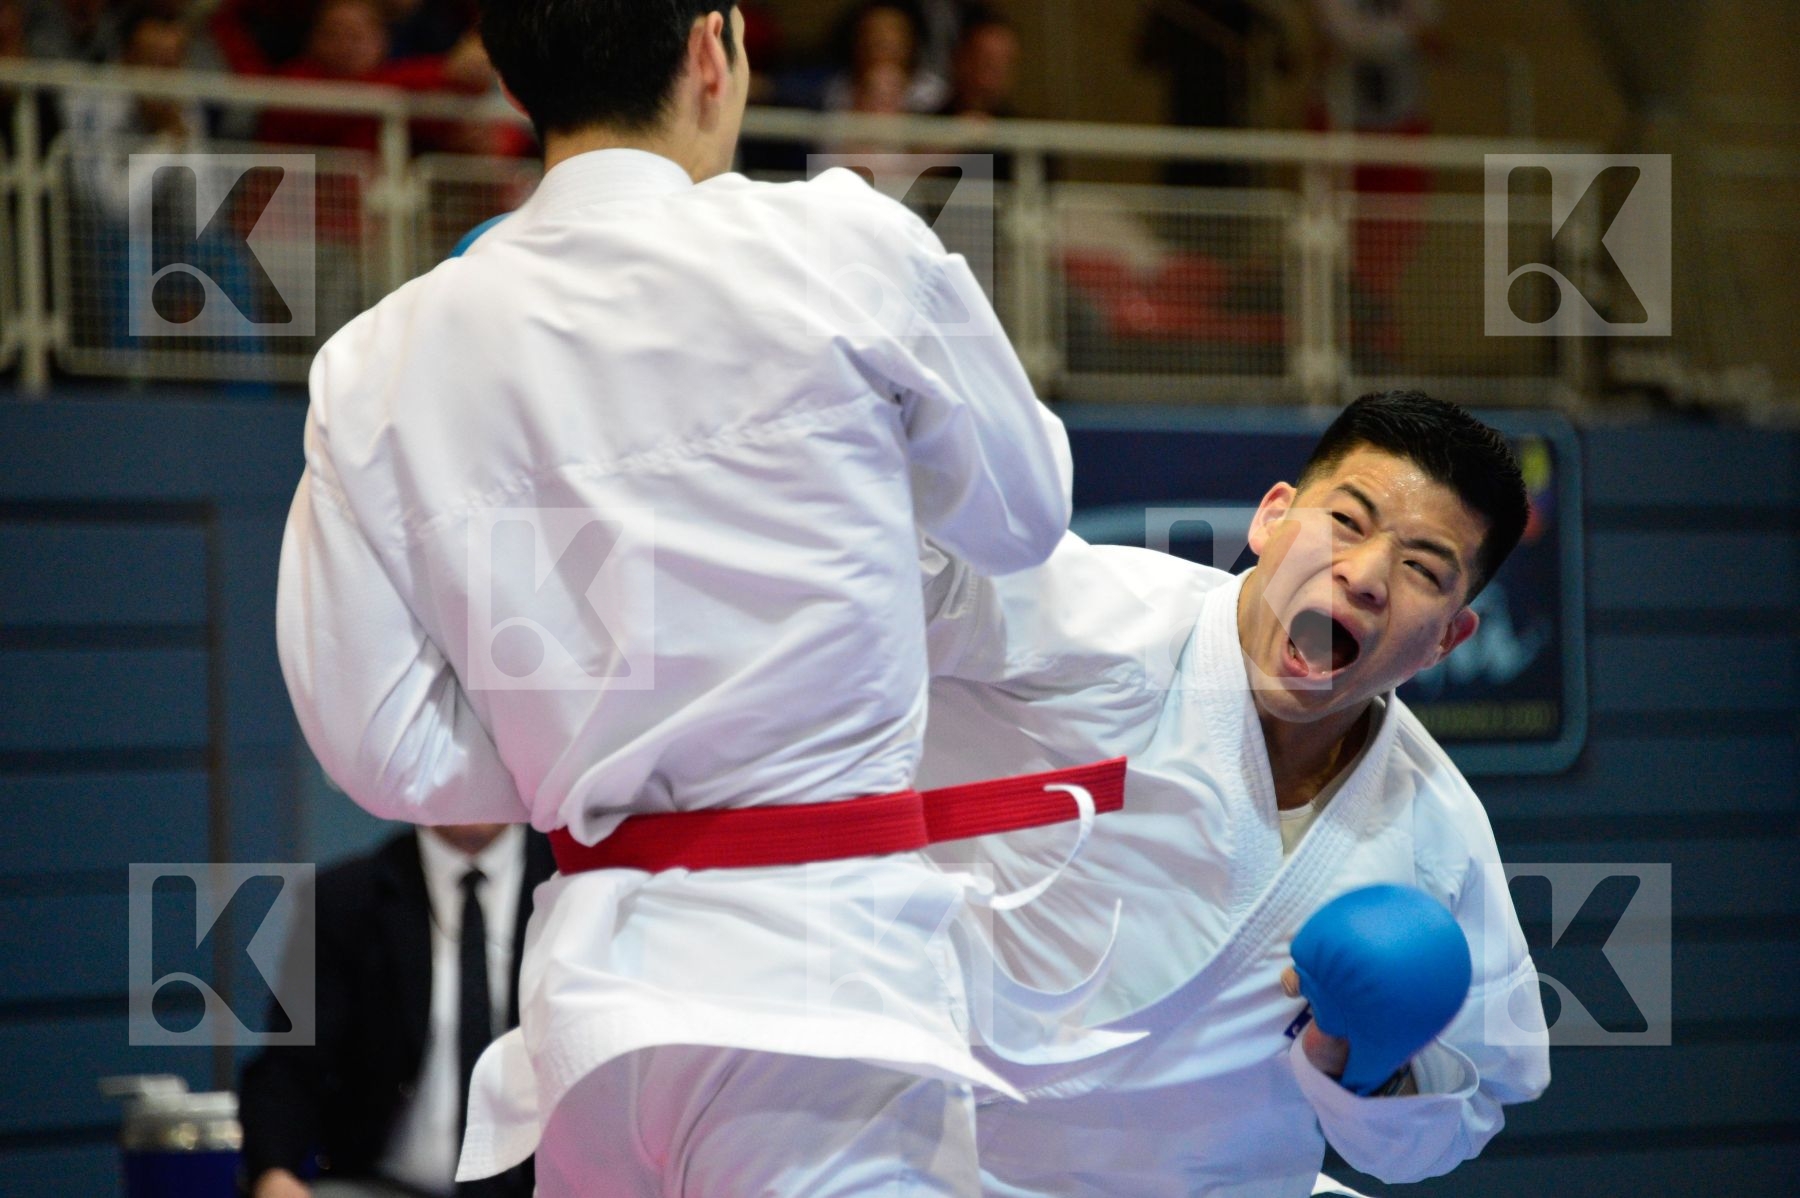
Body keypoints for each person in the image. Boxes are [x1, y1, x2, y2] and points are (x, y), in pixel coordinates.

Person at [275, 2, 1096, 1195]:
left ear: (517, 82)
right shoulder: (842, 243)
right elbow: (1023, 518)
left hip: (594, 1015)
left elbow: (382, 752)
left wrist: (588, 753)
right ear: (714, 51)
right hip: (829, 990)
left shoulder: (374, 361)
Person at [916, 390, 1552, 1195]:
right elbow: (880, 583)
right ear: (1272, 519)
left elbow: (1471, 1108)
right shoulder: (1088, 621)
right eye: (1346, 522)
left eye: (1424, 569)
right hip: (936, 1163)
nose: (1364, 576)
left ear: (1448, 640)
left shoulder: (1436, 833)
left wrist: (1369, 1068)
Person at [240, 825, 556, 1198]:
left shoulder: (577, 884)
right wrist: (274, 1174)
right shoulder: (347, 896)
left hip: (553, 1185)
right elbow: (290, 1065)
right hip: (388, 1184)